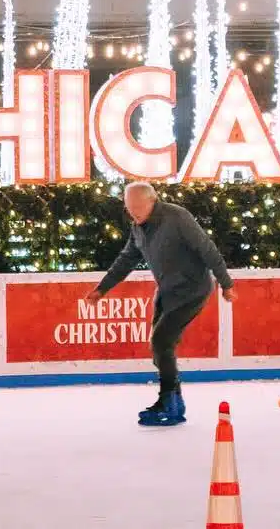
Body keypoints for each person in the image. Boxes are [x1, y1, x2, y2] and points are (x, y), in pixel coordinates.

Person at [86, 182, 235, 427]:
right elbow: (126, 259)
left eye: (138, 208)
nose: (134, 214)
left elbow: (207, 249)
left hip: (192, 288)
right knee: (159, 346)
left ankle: (169, 401)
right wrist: (102, 289)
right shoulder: (138, 227)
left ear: (152, 200)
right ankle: (174, 399)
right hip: (167, 290)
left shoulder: (177, 217)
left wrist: (226, 284)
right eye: (129, 209)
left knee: (161, 341)